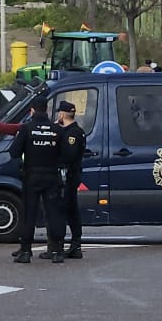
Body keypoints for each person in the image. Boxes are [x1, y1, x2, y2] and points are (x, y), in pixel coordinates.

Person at [13, 99, 68, 263]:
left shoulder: (26, 129)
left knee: (29, 215)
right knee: (53, 214)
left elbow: (14, 152)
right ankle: (57, 251)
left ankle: (25, 251)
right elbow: (66, 154)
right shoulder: (57, 130)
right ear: (47, 109)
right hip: (51, 176)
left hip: (32, 176)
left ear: (32, 111)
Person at [54, 97, 89, 260]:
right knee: (71, 211)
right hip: (70, 176)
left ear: (62, 114)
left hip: (68, 177)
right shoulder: (73, 131)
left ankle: (70, 246)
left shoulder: (72, 134)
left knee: (65, 211)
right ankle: (75, 245)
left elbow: (68, 155)